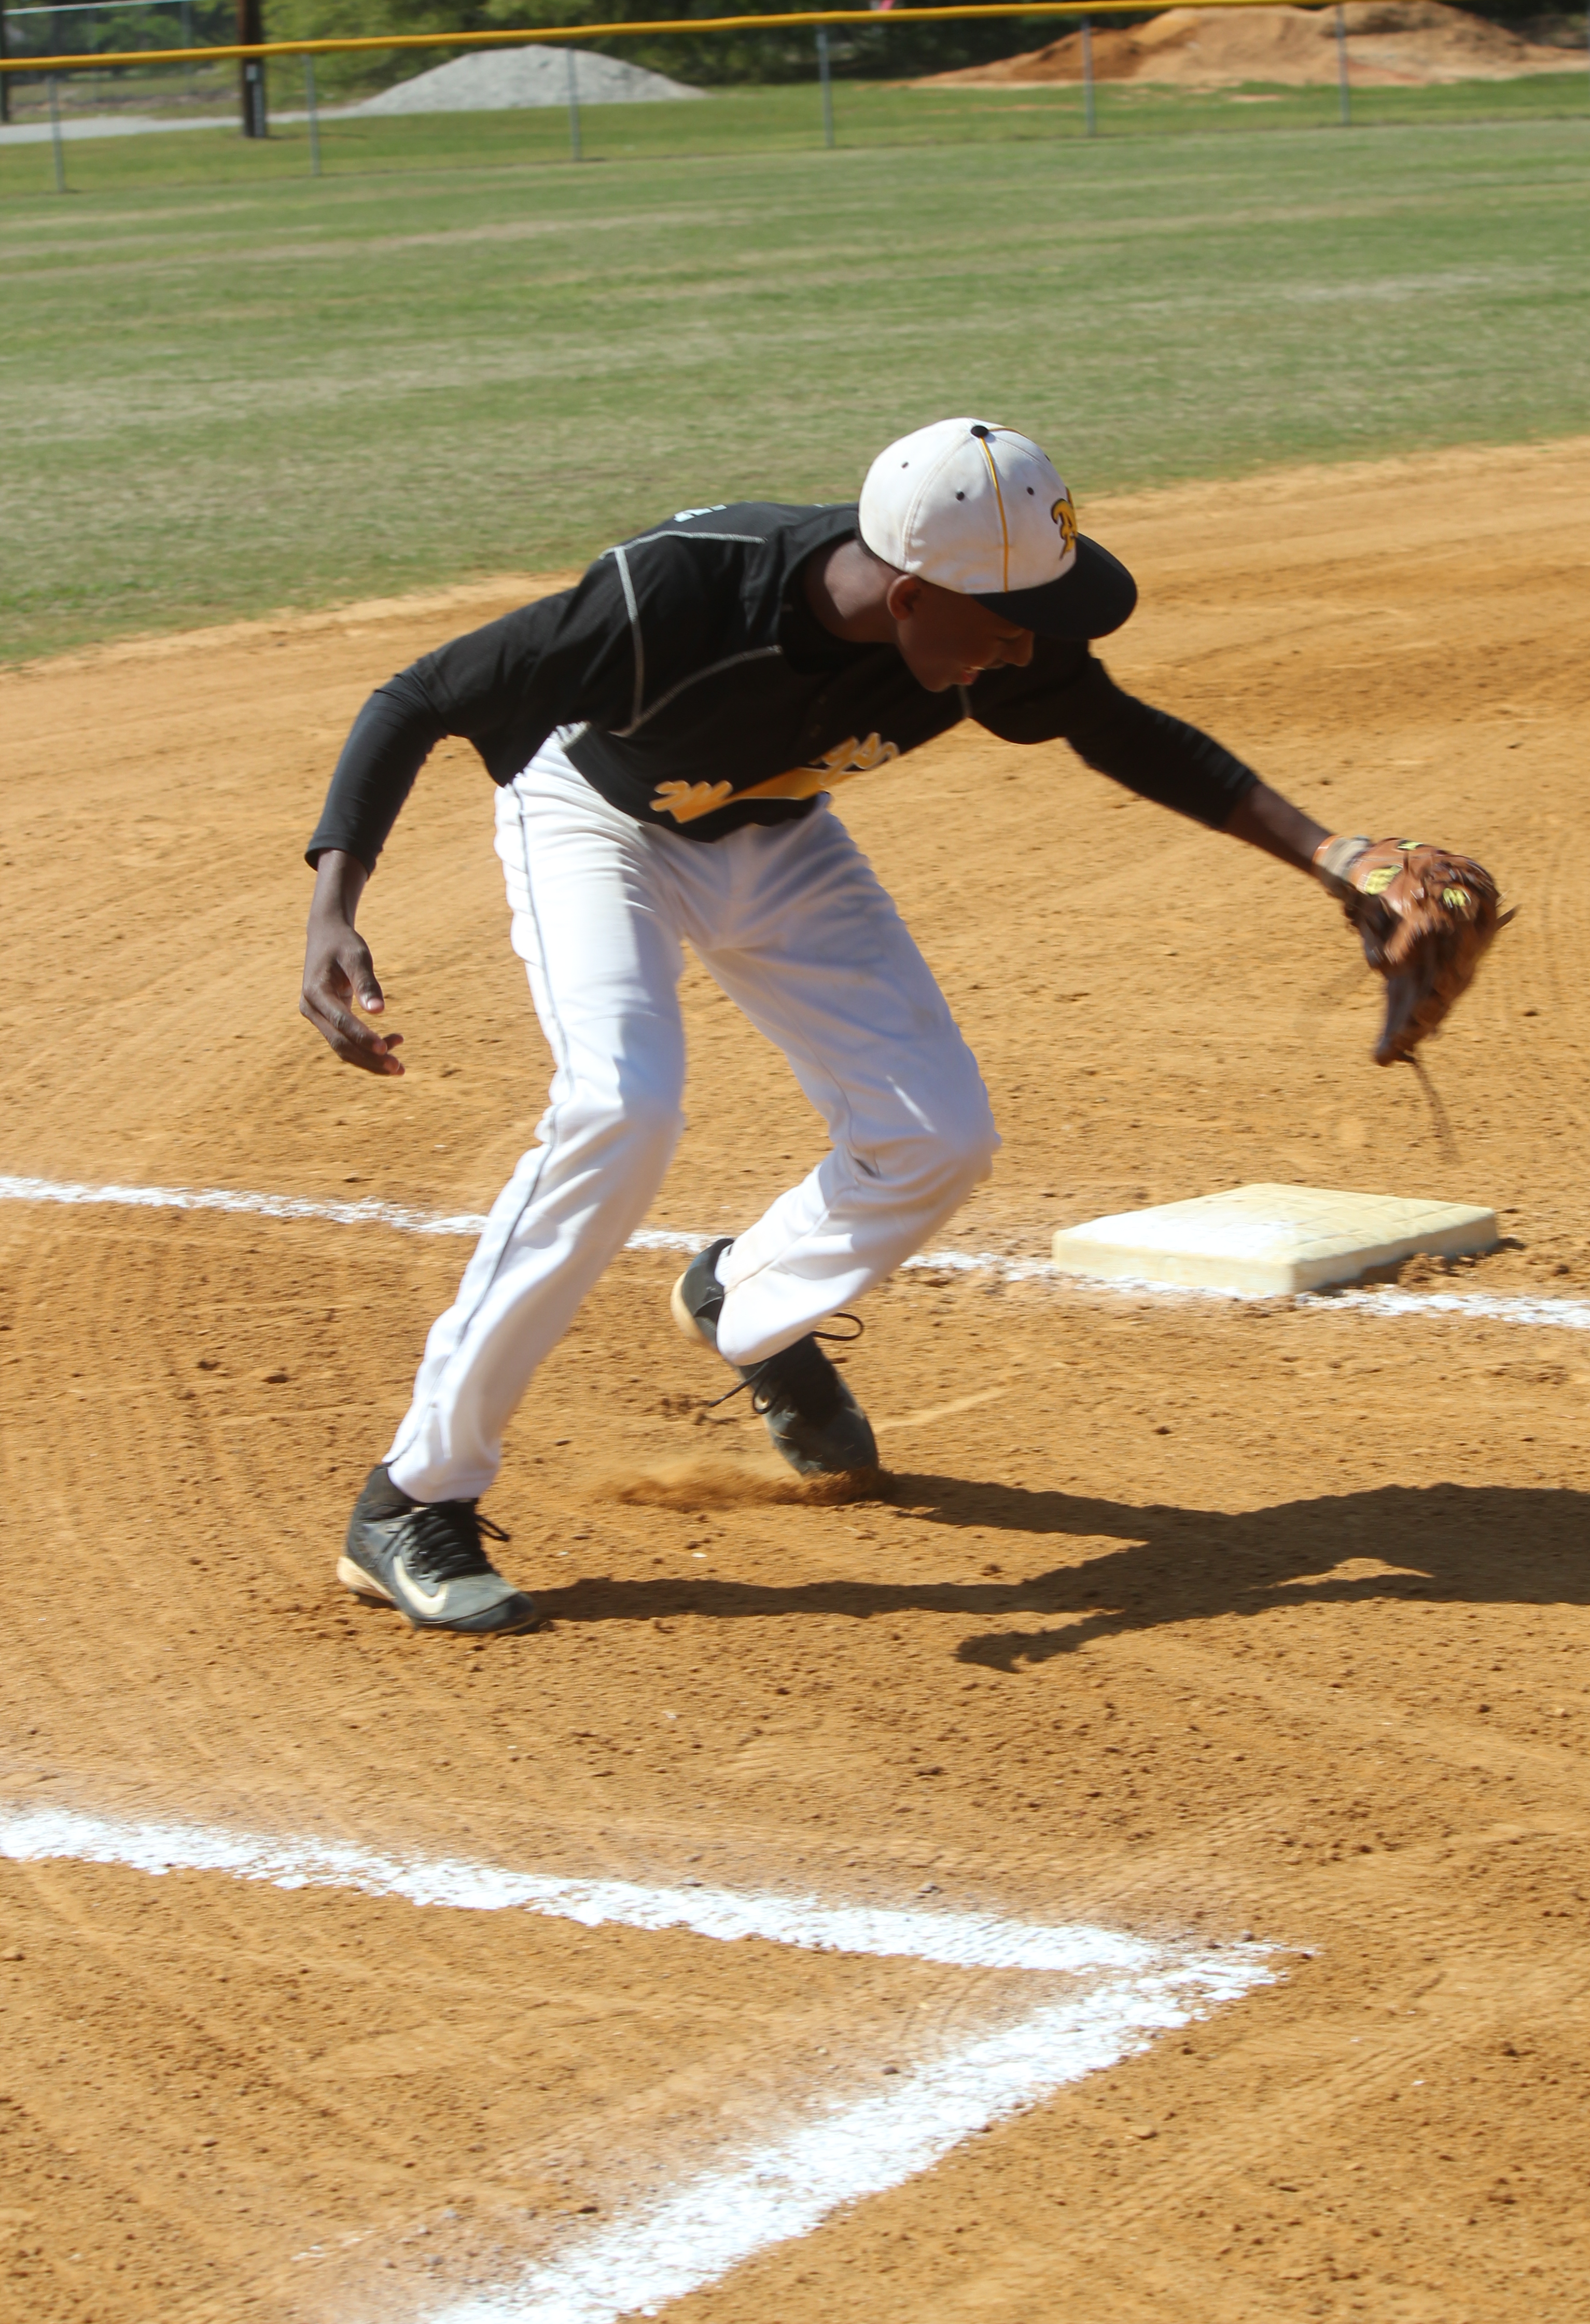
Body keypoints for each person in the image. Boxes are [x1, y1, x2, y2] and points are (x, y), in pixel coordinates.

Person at [301, 419, 1342, 1635]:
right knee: (620, 1107)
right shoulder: (671, 598)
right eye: (1006, 620)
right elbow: (421, 696)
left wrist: (1340, 859)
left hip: (783, 838)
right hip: (600, 827)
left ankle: (747, 1297)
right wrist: (334, 906)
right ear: (908, 594)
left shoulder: (998, 624)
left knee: (940, 1138)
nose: (1024, 645)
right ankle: (412, 1500)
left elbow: (1118, 730)